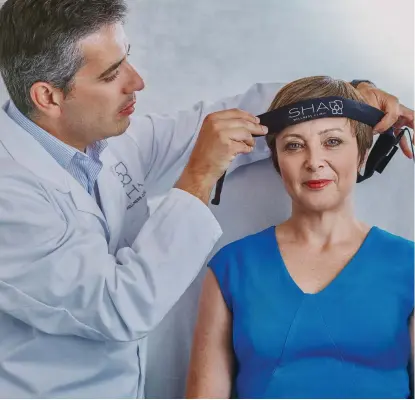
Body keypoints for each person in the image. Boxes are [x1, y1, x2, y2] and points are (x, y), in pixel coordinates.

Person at [0, 0, 412, 396]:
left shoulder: (100, 143)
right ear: (47, 97)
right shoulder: (11, 197)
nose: (137, 81)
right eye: (111, 74)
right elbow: (119, 306)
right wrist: (198, 175)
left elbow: (231, 120)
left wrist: (344, 97)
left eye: (127, 58)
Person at [186, 76, 414, 399]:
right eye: (294, 145)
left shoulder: (409, 267)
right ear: (278, 163)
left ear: (363, 156)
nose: (314, 161)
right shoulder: (231, 269)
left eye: (332, 142)